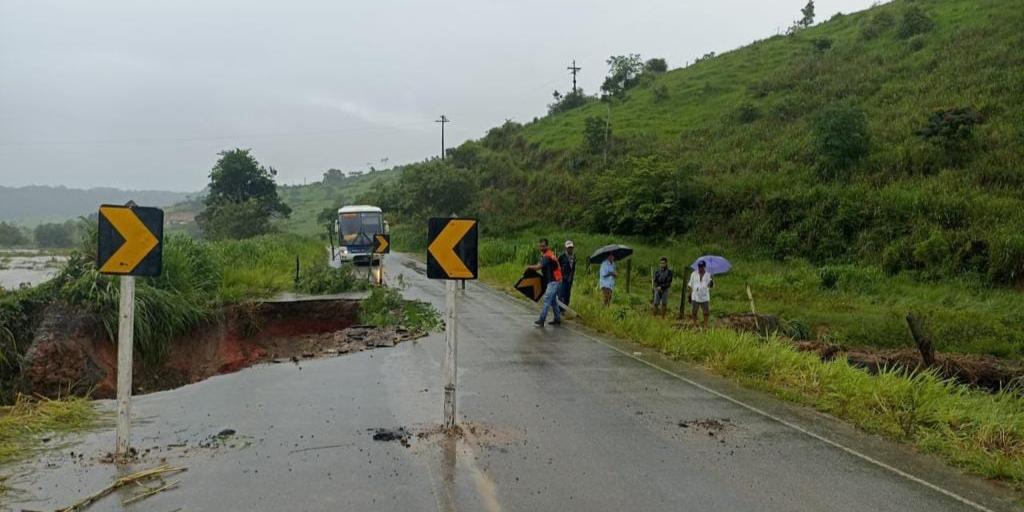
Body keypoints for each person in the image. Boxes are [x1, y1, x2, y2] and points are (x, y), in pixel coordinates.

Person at [526, 238, 563, 327]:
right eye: (540, 246)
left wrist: (529, 267)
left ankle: (541, 320)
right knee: (553, 301)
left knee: (547, 300)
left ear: (547, 246)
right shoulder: (549, 254)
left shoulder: (547, 256)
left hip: (553, 281)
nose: (541, 248)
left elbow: (539, 267)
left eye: (543, 246)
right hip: (556, 280)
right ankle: (557, 319)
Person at [688, 260, 713, 328]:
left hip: (704, 296)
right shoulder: (693, 274)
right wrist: (689, 294)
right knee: (694, 312)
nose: (700, 268)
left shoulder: (708, 275)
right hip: (695, 296)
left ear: (704, 267)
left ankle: (705, 325)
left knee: (706, 312)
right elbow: (690, 285)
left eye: (702, 266)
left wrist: (711, 282)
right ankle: (695, 324)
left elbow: (710, 285)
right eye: (699, 266)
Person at [558, 240, 577, 311]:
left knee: (567, 295)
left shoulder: (574, 257)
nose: (570, 249)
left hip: (570, 280)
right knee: (562, 295)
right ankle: (560, 310)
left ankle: (565, 310)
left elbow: (573, 269)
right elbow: (557, 267)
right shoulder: (562, 257)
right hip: (563, 279)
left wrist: (571, 277)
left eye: (571, 248)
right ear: (565, 248)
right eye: (569, 248)